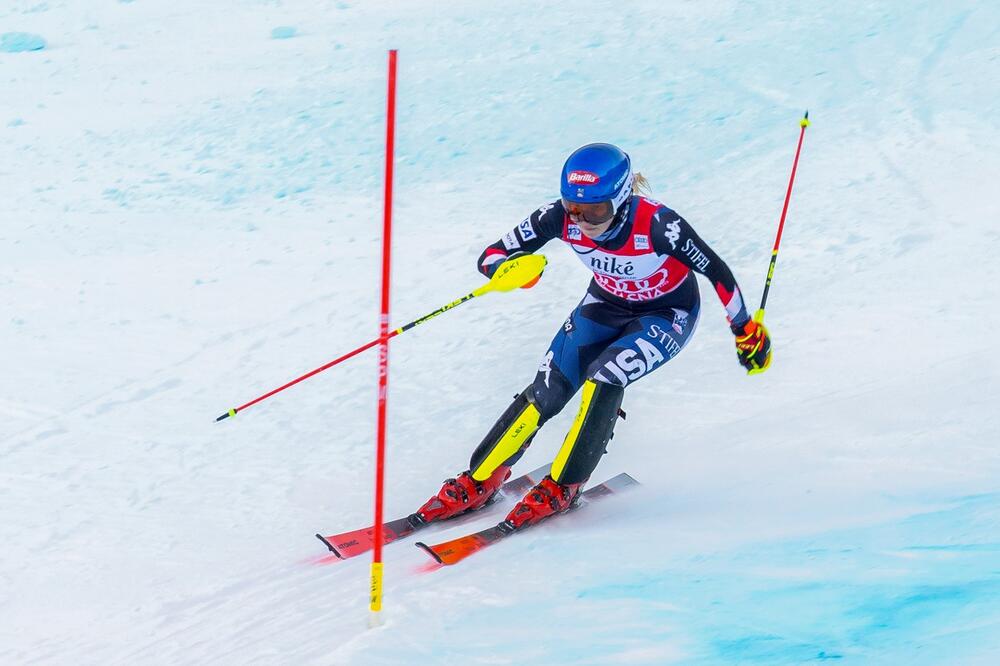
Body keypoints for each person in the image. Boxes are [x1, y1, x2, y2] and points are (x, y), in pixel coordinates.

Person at [413, 143, 771, 531]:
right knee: (548, 390)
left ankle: (564, 485)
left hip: (666, 315)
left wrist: (744, 329)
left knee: (607, 374)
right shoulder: (557, 216)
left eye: (595, 210)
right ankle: (480, 478)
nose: (581, 220)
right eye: (573, 207)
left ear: (620, 199)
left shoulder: (658, 225)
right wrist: (511, 271)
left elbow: (716, 270)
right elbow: (492, 255)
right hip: (604, 304)